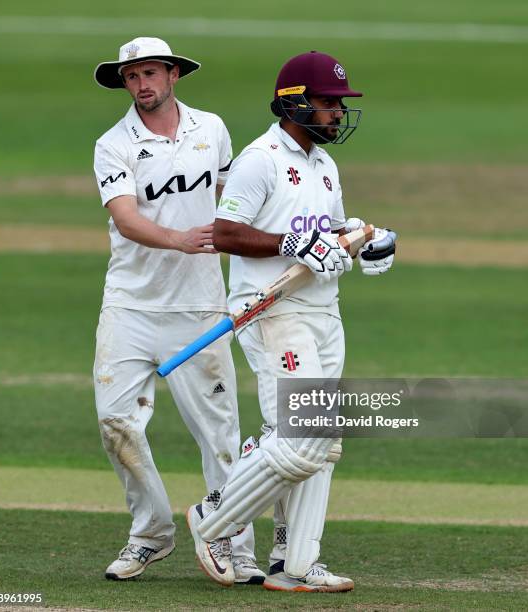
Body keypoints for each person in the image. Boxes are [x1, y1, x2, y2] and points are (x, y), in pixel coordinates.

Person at [186, 50, 395, 591]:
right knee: (302, 437)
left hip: (324, 310)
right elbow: (224, 233)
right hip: (271, 308)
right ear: (294, 103)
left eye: (339, 105)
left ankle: (296, 564)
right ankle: (214, 522)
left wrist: (365, 241)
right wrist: (290, 243)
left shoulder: (324, 165)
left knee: (322, 441)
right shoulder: (261, 158)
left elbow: (330, 231)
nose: (337, 114)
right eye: (329, 104)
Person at [92, 37, 264, 584]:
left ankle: (236, 543)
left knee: (220, 436)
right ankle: (151, 532)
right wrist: (177, 238)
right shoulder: (112, 144)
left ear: (173, 75)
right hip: (131, 307)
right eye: (131, 76)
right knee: (116, 422)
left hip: (200, 307)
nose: (141, 85)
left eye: (150, 73)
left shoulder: (211, 130)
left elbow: (234, 202)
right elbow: (124, 218)